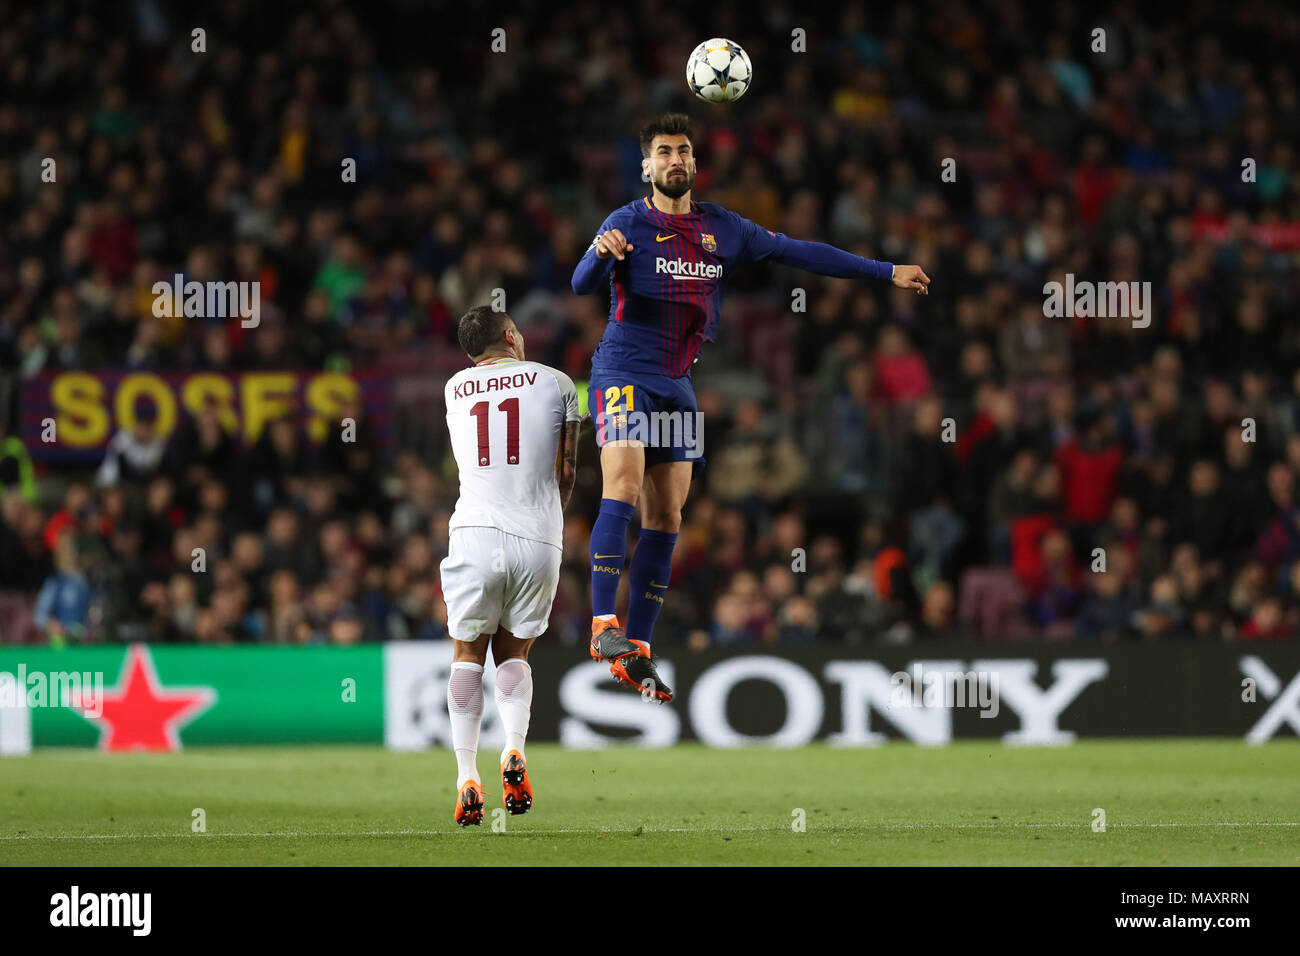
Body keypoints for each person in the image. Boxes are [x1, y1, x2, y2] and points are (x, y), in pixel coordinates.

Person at [571, 113, 930, 700]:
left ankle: (635, 648)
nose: (676, 159)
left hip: (677, 384)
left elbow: (802, 252)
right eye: (664, 151)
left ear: (694, 162)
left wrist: (884, 271)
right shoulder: (626, 223)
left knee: (668, 517)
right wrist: (599, 253)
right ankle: (601, 624)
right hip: (623, 372)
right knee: (625, 482)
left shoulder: (724, 229)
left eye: (684, 150)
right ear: (646, 166)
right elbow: (582, 285)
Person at [439, 306, 580, 827]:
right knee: (515, 651)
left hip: (473, 532)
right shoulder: (559, 382)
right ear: (513, 335)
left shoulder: (454, 388)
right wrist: (549, 517)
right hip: (539, 535)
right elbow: (567, 468)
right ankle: (514, 750)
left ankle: (465, 777)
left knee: (466, 656)